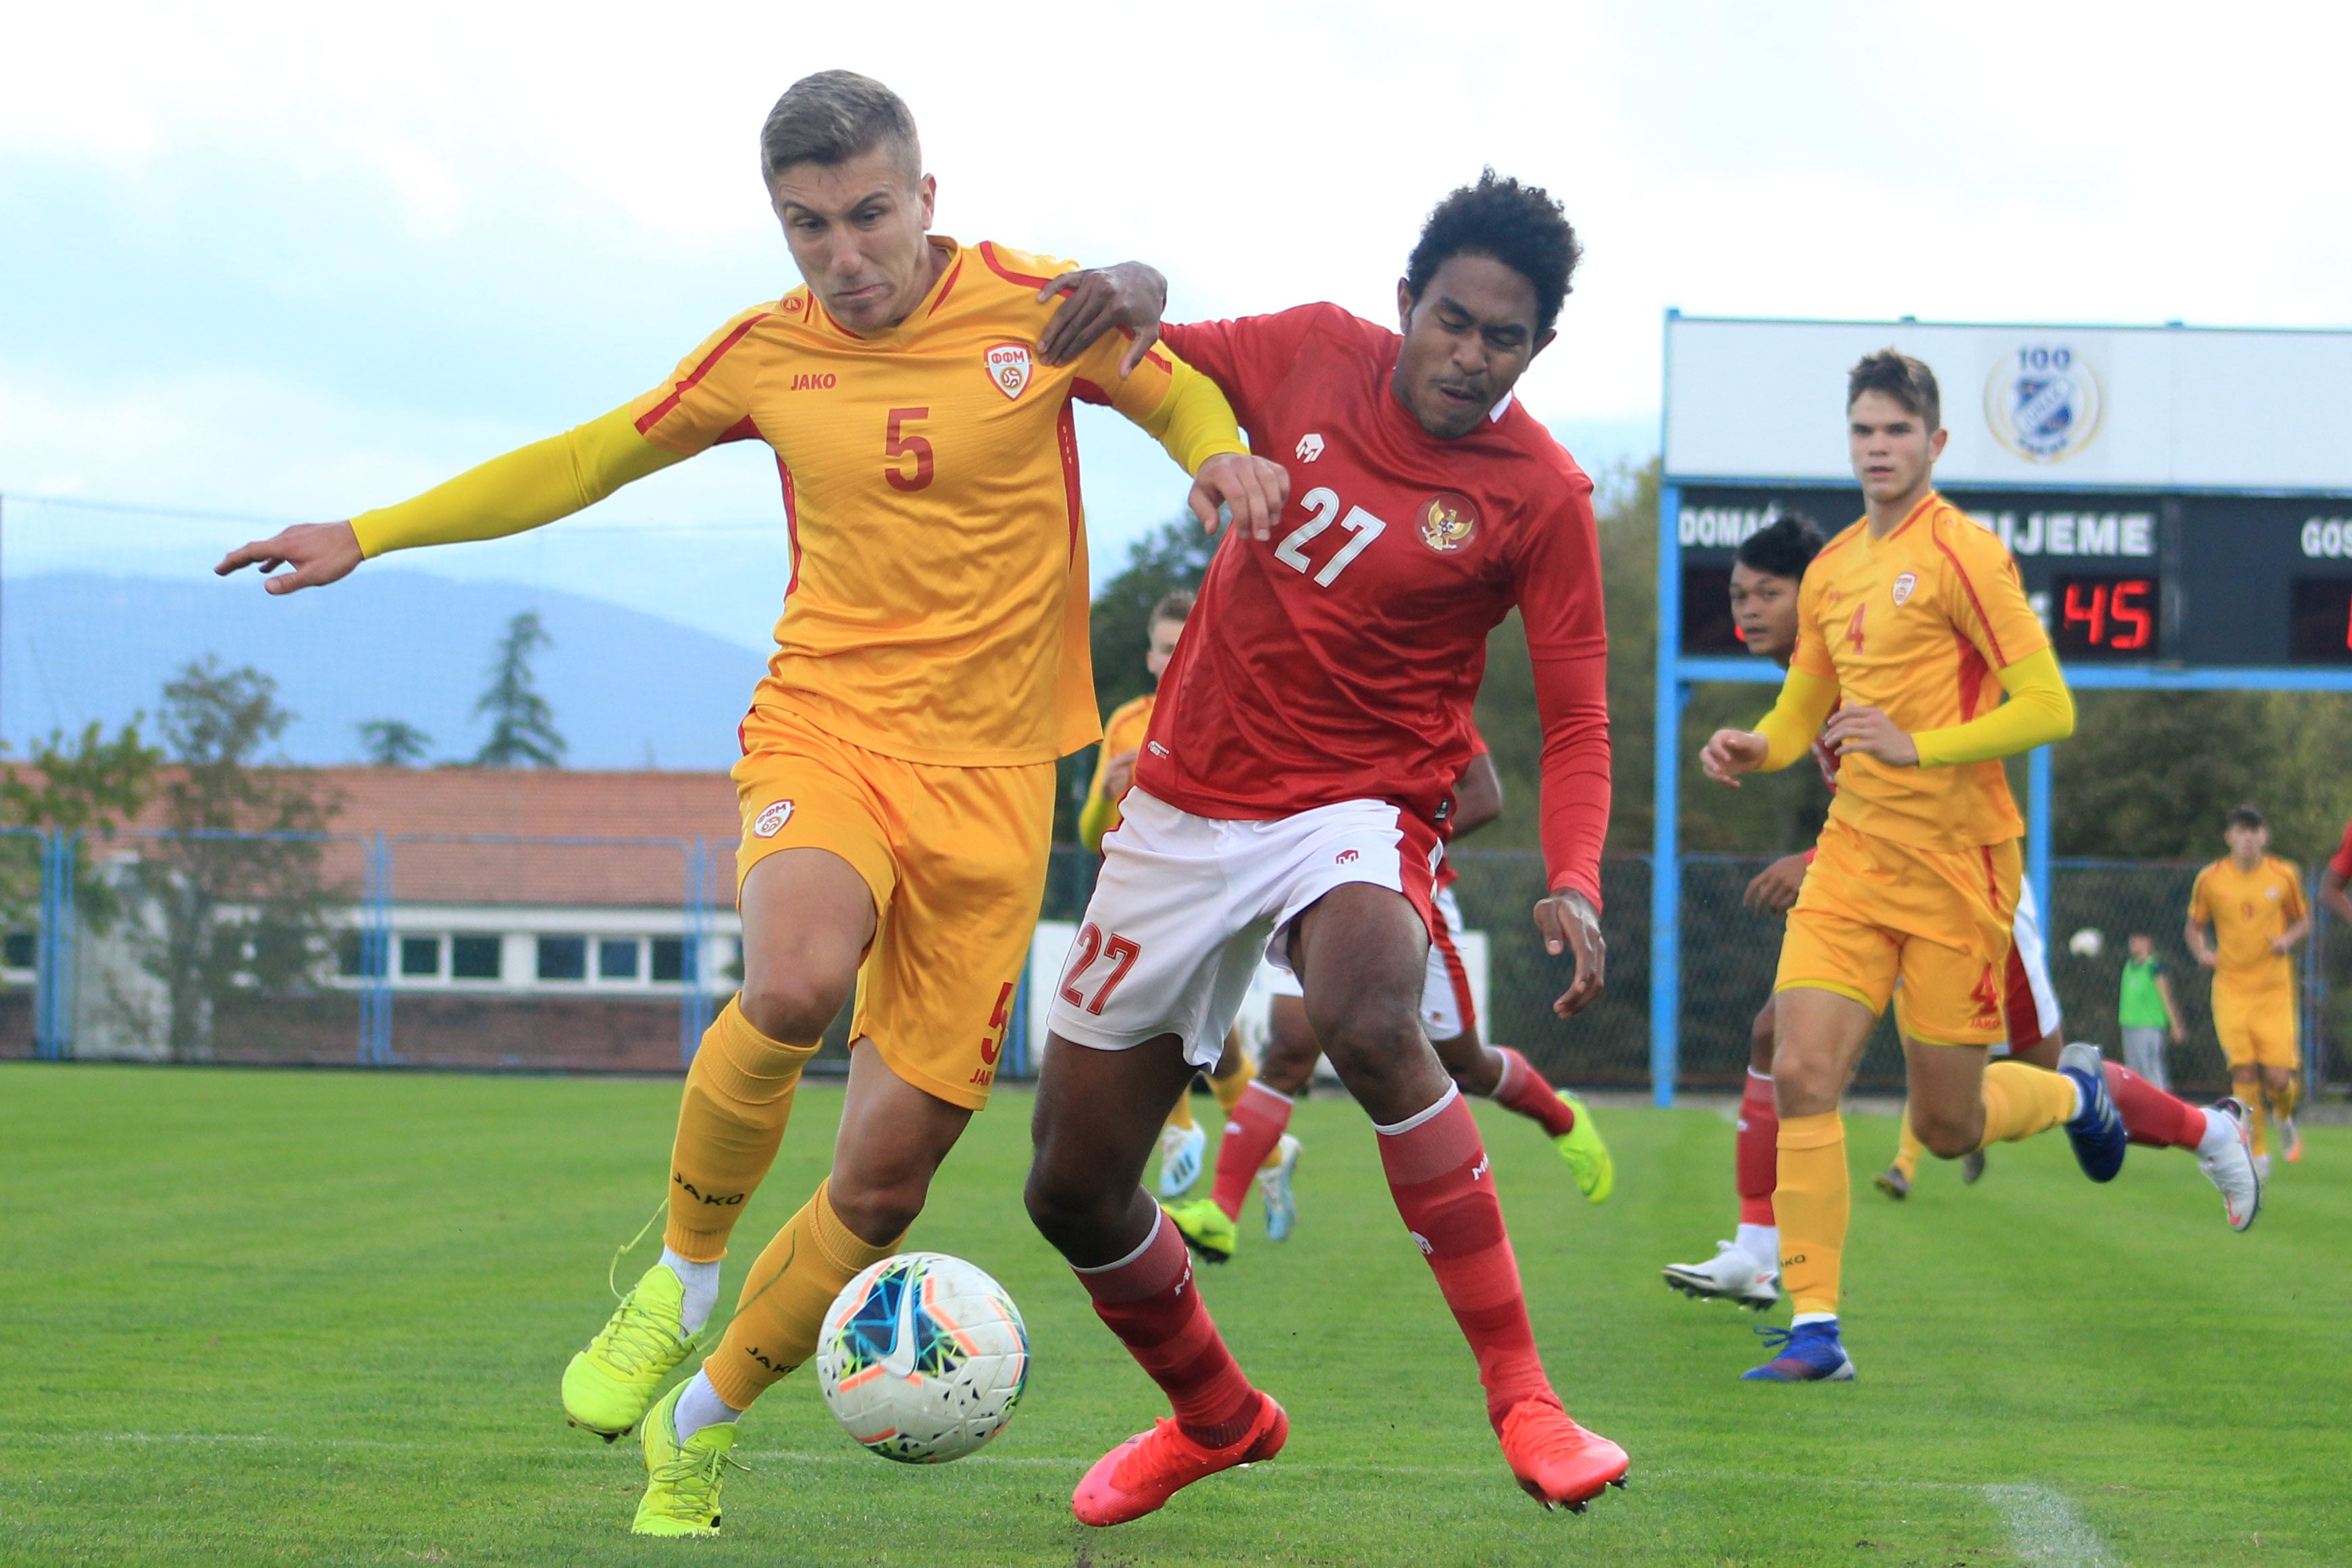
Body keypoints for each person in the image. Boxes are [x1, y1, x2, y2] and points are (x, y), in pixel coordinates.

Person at [217, 71, 1284, 1538]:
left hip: (991, 793)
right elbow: (586, 458)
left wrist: (1216, 453)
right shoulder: (764, 353)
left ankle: (697, 1424)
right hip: (824, 733)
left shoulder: (1037, 309)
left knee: (884, 1186)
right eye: (806, 227)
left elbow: (1174, 390)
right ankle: (679, 1278)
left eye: (866, 215)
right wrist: (371, 530)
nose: (842, 255)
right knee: (791, 982)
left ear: (925, 197)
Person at [1021, 172, 1627, 1524]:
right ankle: (1215, 1415)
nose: (1469, 356)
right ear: (1405, 302)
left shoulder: (1540, 495)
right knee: (1069, 1188)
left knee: (1365, 1013)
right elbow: (1141, 355)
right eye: (1451, 321)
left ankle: (1525, 1398)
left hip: (1359, 808)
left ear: (1537, 348)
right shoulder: (1305, 349)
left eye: (1504, 338)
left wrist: (1573, 877)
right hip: (1183, 807)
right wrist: (1141, 284)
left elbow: (1580, 716)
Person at [1698, 348, 2124, 1382]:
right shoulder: (1833, 566)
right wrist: (1760, 744)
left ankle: (2076, 1094)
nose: (1876, 447)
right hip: (1852, 858)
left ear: (1932, 442)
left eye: (1895, 430)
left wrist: (1916, 745)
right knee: (1800, 1068)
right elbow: (1801, 704)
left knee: (1945, 1125)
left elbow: (2049, 707)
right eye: (1862, 429)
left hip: (1955, 867)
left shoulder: (1965, 555)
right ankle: (1815, 1327)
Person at [1170, 734, 1615, 1261]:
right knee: (1287, 1052)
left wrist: (1389, 842)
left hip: (1403, 892)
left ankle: (1561, 1118)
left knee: (1465, 1066)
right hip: (1306, 887)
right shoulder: (1296, 698)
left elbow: (1485, 797)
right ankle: (1221, 1213)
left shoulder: (1424, 695)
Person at [1078, 590, 1272, 1200]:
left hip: (1210, 896)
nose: (1173, 658)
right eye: (1165, 648)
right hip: (1136, 895)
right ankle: (1229, 1148)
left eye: (1184, 645)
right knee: (1191, 1036)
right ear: (1149, 657)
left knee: (1190, 1036)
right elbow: (1090, 835)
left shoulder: (1236, 713)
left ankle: (1195, 1137)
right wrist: (1105, 796)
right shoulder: (1124, 724)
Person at [2189, 806, 2309, 1174]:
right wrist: (2202, 952)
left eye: (2255, 831)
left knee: (2278, 1078)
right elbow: (2194, 926)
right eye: (2242, 831)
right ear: (2230, 837)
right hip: (2231, 987)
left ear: (2264, 836)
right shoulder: (2211, 879)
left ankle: (2284, 1116)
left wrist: (2287, 940)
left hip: (2273, 988)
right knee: (2243, 1070)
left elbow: (2303, 920)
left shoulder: (2284, 875)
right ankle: (2257, 1151)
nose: (2248, 838)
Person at [2117, 931, 2187, 1089]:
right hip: (2129, 1024)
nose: (2133, 943)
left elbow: (2166, 996)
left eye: (2138, 939)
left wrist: (2175, 1025)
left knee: (2150, 1068)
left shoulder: (2154, 967)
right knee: (2134, 1071)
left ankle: (2161, 1100)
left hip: (2149, 1024)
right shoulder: (2129, 966)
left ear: (2148, 942)